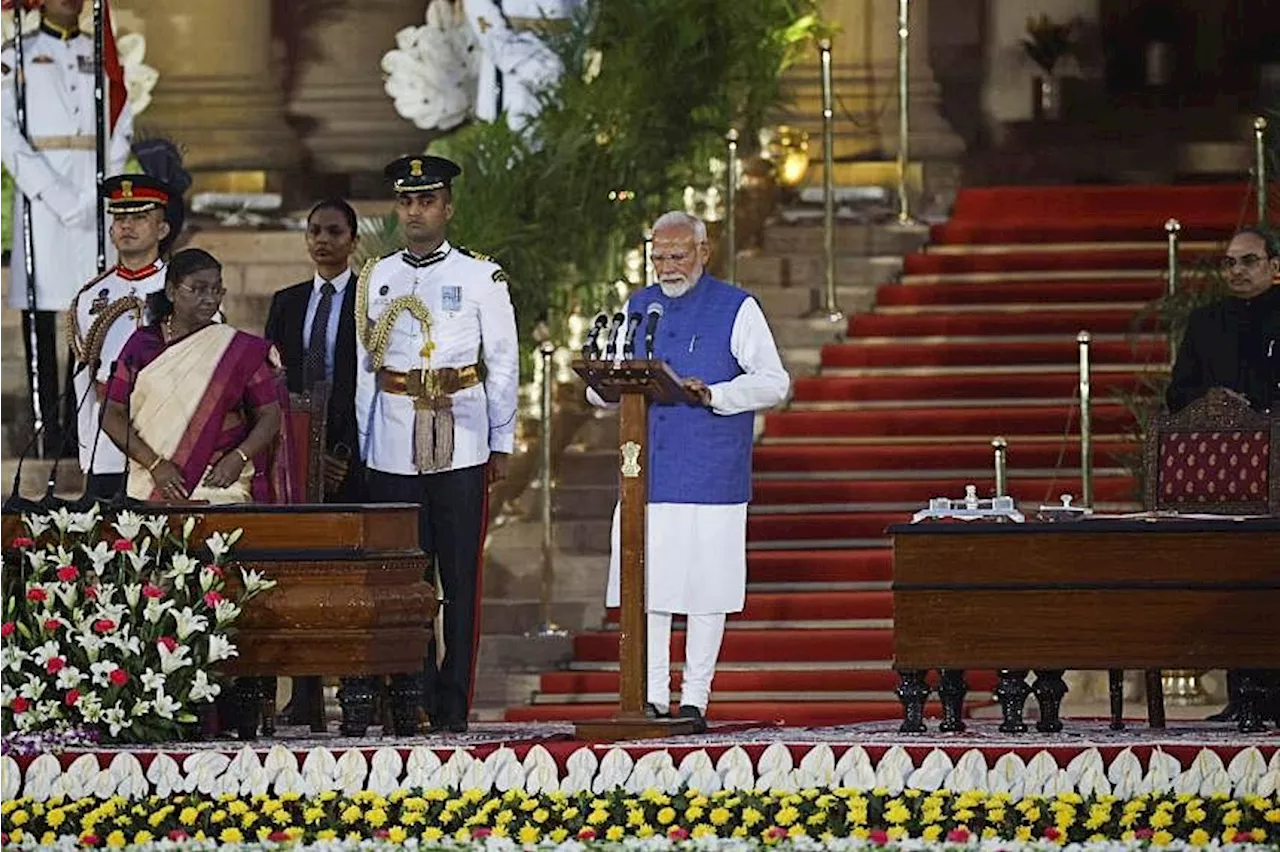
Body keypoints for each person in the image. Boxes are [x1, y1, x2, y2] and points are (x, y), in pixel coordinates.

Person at [588, 210, 790, 731]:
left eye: (678, 255)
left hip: (711, 470)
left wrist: (717, 394)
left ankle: (695, 696)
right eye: (658, 256)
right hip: (647, 473)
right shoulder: (638, 306)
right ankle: (652, 693)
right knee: (648, 585)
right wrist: (600, 382)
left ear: (704, 251)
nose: (667, 266)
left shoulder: (736, 307)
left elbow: (773, 382)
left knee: (706, 589)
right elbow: (610, 380)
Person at [355, 154, 518, 734]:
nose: (415, 211)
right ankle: (413, 696)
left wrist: (501, 440)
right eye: (406, 201)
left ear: (447, 207)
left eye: (427, 200)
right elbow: (364, 366)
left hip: (462, 434)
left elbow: (502, 363)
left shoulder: (481, 277)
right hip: (395, 438)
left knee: (459, 575)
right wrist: (366, 442)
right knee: (406, 576)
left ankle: (455, 701)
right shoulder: (377, 277)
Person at [0, 0, 134, 455]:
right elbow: (4, 131)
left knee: (91, 314)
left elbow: (121, 120)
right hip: (42, 199)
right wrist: (52, 193)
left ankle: (85, 427)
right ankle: (47, 434)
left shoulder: (100, 56)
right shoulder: (15, 54)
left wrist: (104, 187)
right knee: (41, 312)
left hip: (93, 192)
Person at [1166, 225, 1280, 723]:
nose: (1237, 270)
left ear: (1274, 266)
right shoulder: (1206, 322)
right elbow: (1178, 394)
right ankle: (1245, 699)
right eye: (1230, 262)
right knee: (1238, 584)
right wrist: (1213, 406)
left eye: (1248, 261)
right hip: (1227, 478)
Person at [264, 199, 362, 727]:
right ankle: (302, 693)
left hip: (352, 462)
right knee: (298, 576)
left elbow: (363, 386)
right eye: (314, 231)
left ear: (352, 240)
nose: (322, 240)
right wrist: (300, 454)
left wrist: (339, 454)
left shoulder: (368, 300)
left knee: (344, 579)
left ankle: (355, 691)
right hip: (296, 461)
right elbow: (272, 385)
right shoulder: (287, 302)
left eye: (333, 231)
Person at [100, 248, 296, 505]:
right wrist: (155, 465)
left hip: (221, 484)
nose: (210, 299)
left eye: (217, 290)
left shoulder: (235, 349)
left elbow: (270, 415)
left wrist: (239, 457)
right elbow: (111, 414)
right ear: (171, 292)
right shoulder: (143, 344)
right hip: (154, 483)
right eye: (199, 289)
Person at [69, 174, 174, 500]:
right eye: (120, 218)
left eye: (140, 217)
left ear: (162, 229)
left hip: (166, 430)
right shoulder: (90, 296)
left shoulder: (186, 287)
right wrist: (88, 446)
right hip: (108, 439)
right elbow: (83, 379)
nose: (127, 226)